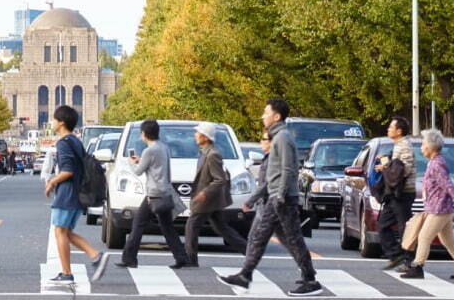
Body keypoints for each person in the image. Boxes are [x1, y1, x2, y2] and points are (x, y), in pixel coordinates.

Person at [218, 98, 322, 296]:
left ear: (276, 116)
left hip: (280, 198)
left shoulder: (282, 137)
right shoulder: (279, 136)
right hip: (277, 196)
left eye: (266, 113)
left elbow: (289, 168)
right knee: (281, 238)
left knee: (273, 238)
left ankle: (308, 280)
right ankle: (247, 276)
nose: (262, 116)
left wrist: (280, 194)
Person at [43, 105, 106, 286]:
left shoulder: (64, 143)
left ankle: (68, 272)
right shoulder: (76, 141)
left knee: (60, 231)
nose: (52, 122)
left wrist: (52, 182)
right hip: (77, 192)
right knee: (66, 232)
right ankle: (94, 256)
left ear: (61, 122)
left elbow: (68, 171)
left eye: (54, 119)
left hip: (67, 193)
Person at [398, 130, 454, 281]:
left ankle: (417, 267)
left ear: (431, 147)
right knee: (447, 240)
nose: (422, 148)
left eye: (423, 144)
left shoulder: (436, 164)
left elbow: (447, 185)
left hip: (439, 209)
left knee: (424, 237)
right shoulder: (435, 162)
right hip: (440, 208)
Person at [118, 119, 190, 269]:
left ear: (144, 134)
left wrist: (132, 163)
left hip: (153, 193)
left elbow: (138, 171)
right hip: (164, 191)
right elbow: (157, 166)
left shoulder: (149, 150)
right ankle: (181, 257)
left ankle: (129, 259)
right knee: (167, 227)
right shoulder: (163, 147)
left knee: (138, 224)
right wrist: (141, 160)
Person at [184, 122, 247, 266]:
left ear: (205, 137)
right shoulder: (205, 152)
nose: (195, 135)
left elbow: (220, 179)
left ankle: (191, 259)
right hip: (212, 199)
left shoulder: (213, 155)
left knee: (191, 225)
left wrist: (205, 193)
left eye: (198, 133)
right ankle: (250, 252)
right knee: (221, 228)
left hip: (208, 199)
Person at [377, 116, 418, 271]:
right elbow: (397, 166)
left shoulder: (404, 145)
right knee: (383, 225)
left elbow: (404, 169)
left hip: (403, 192)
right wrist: (386, 162)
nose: (388, 129)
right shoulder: (397, 145)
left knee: (404, 228)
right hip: (394, 193)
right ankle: (396, 254)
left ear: (399, 131)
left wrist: (385, 168)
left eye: (390, 127)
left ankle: (409, 261)